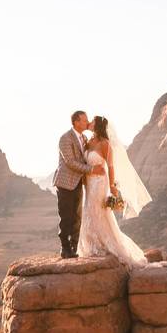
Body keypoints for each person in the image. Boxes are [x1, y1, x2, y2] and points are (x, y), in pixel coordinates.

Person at [75, 115, 150, 265]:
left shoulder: (105, 144)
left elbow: (110, 166)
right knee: (88, 211)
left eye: (92, 122)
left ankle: (103, 245)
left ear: (97, 126)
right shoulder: (88, 142)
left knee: (97, 211)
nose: (89, 123)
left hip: (100, 183)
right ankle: (91, 245)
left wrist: (112, 186)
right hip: (89, 183)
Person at [53, 110, 105, 259]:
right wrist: (92, 169)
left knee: (77, 216)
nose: (87, 122)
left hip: (79, 183)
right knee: (66, 216)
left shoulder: (84, 138)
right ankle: (65, 249)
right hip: (65, 183)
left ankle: (74, 247)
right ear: (76, 122)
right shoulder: (65, 138)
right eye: (84, 120)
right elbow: (70, 162)